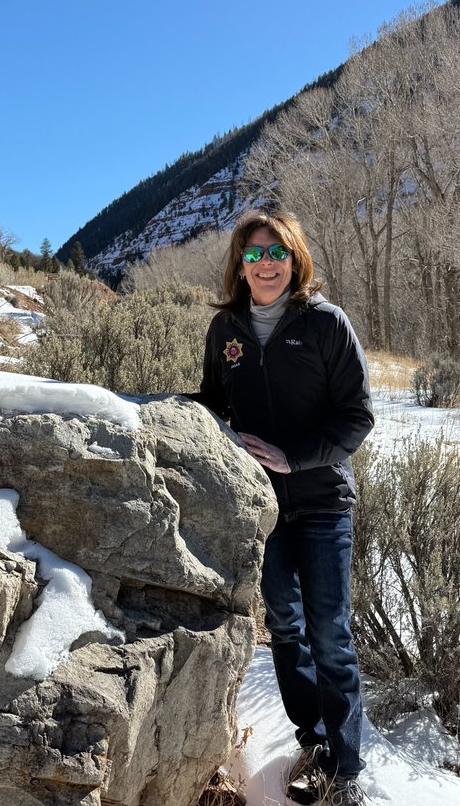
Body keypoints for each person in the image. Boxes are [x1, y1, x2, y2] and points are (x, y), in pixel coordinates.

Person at [191, 210, 374, 806]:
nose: (265, 264)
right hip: (259, 507)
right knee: (285, 629)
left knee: (330, 634)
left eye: (276, 254)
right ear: (239, 267)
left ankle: (344, 773)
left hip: (322, 503)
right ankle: (314, 741)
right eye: (253, 255)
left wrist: (295, 459)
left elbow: (357, 417)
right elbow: (214, 401)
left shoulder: (326, 324)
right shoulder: (227, 329)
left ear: (295, 260)